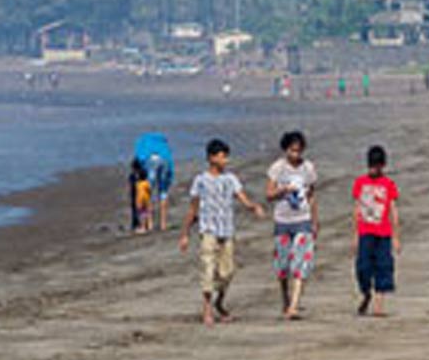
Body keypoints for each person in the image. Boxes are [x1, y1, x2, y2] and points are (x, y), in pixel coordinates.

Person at [178, 138, 266, 325]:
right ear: (211, 158)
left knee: (227, 272)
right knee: (208, 269)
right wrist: (185, 234)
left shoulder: (230, 179)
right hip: (208, 230)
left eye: (226, 156)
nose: (226, 160)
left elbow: (242, 197)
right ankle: (207, 309)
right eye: (222, 156)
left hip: (227, 230)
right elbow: (193, 209)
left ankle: (219, 302)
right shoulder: (200, 180)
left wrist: (253, 207)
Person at [265, 130, 318, 321]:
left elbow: (311, 195)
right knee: (282, 266)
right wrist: (283, 190)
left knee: (301, 263)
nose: (295, 155)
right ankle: (285, 299)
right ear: (285, 149)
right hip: (282, 221)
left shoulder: (308, 168)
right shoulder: (277, 168)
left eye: (298, 151)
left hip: (302, 220)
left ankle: (294, 305)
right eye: (292, 151)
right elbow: (268, 194)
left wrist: (314, 221)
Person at [352, 144, 400, 317]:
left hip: (383, 233)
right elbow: (357, 210)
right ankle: (366, 294)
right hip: (365, 232)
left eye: (377, 166)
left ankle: (379, 305)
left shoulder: (388, 184)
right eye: (372, 165)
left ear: (383, 165)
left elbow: (393, 210)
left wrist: (396, 237)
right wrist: (355, 235)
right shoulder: (360, 183)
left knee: (383, 266)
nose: (374, 169)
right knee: (362, 267)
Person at [134, 132, 174, 231]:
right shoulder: (163, 145)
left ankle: (149, 224)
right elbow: (170, 163)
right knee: (163, 192)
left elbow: (140, 158)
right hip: (164, 160)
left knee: (148, 192)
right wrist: (169, 178)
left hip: (150, 160)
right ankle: (163, 224)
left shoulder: (143, 142)